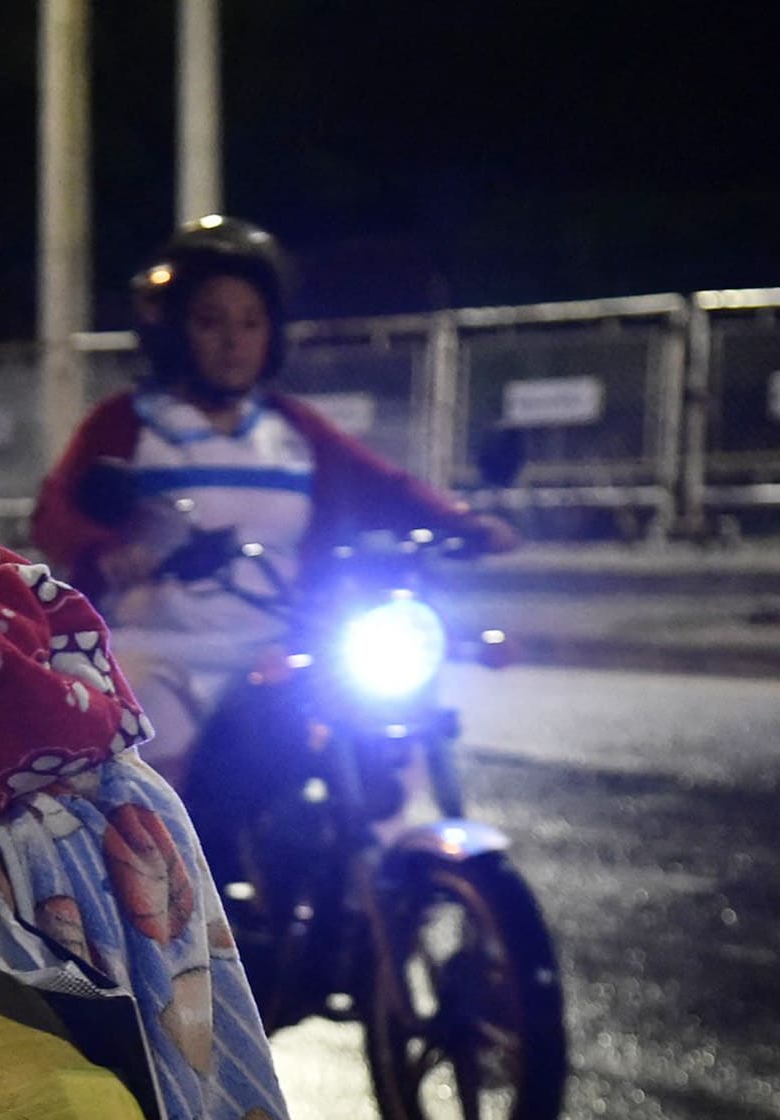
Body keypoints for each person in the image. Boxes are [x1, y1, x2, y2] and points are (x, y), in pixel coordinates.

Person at [29, 216, 516, 784]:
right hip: (157, 654)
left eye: (251, 322)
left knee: (374, 750)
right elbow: (54, 511)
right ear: (174, 330)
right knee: (160, 804)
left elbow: (381, 486)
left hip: (277, 652)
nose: (234, 340)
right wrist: (103, 548)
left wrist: (465, 522)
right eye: (211, 322)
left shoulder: (291, 430)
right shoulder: (126, 423)